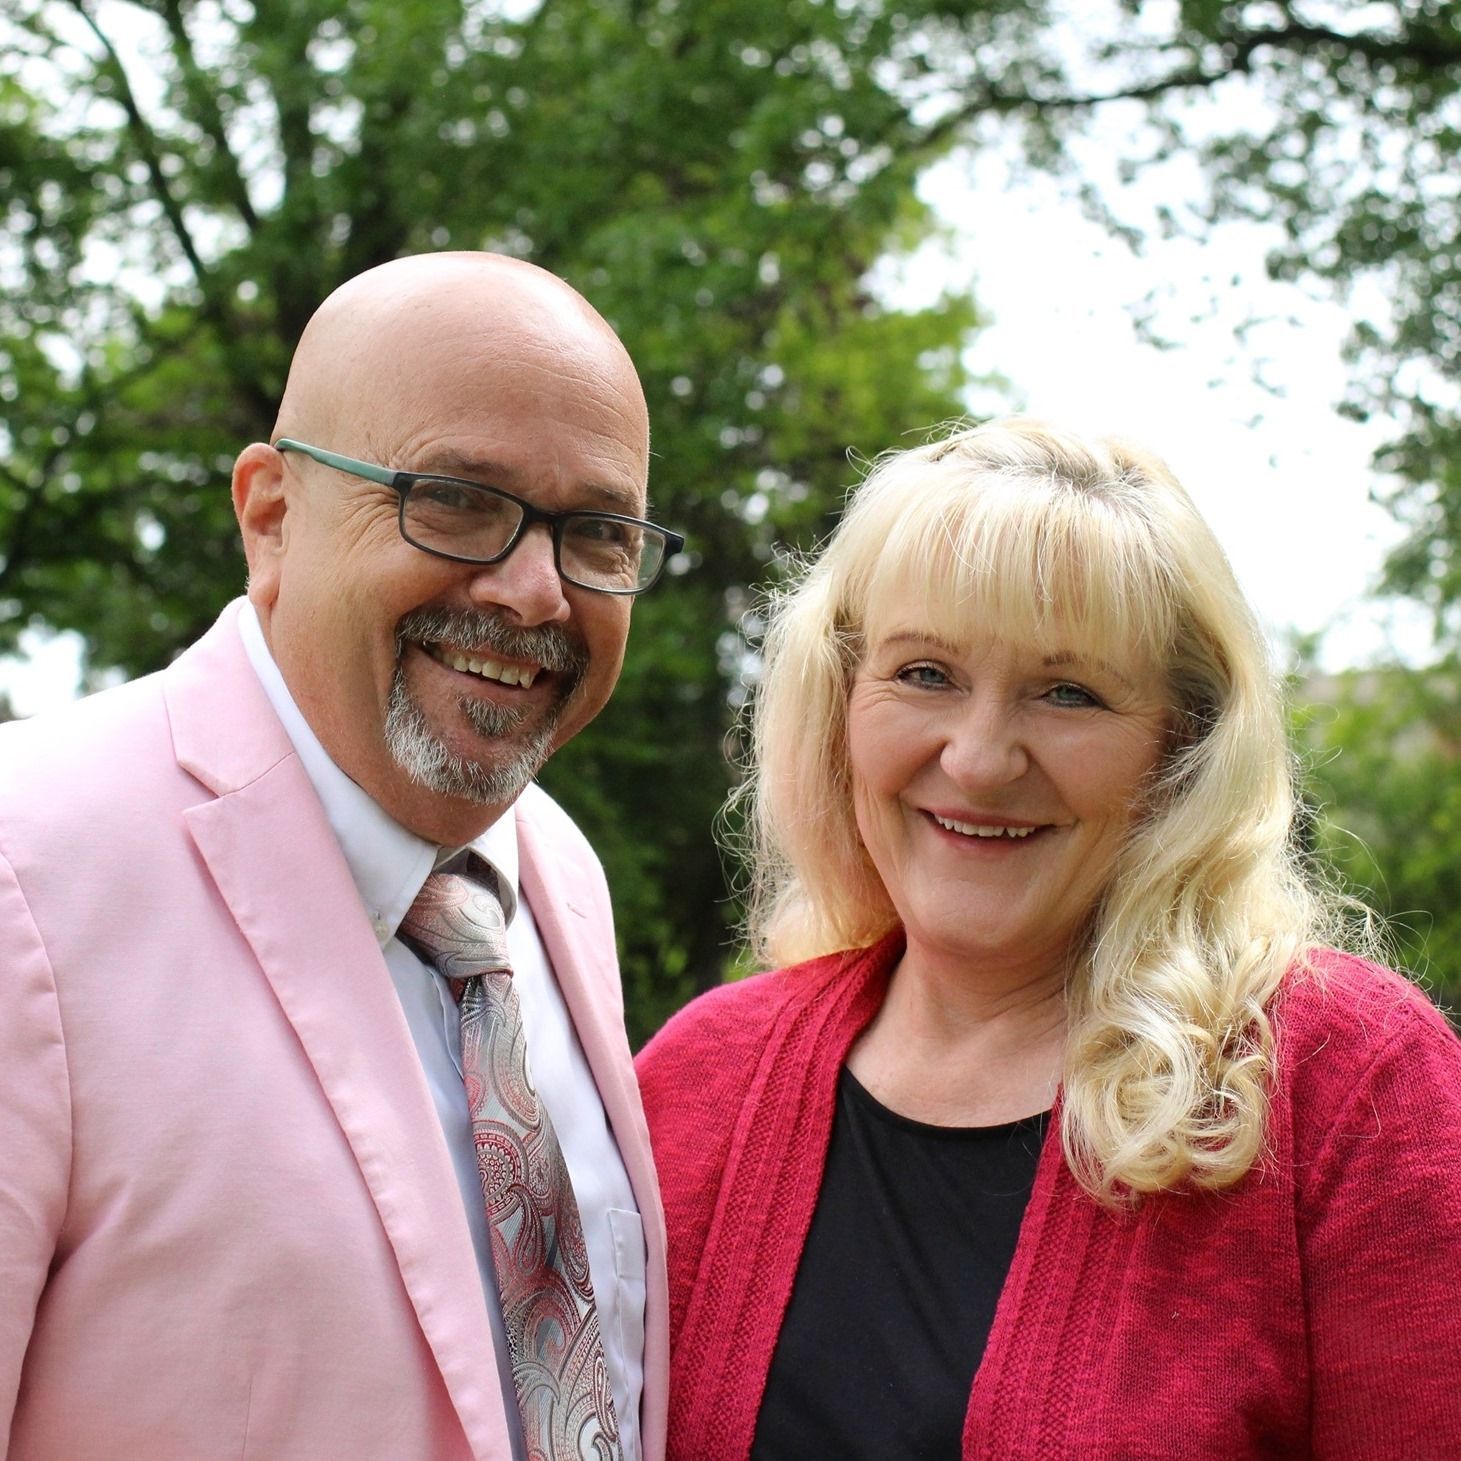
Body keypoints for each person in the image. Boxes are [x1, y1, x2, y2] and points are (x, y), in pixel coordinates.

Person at [636, 417, 1461, 1460]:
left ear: (1183, 746)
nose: (978, 760)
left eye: (1067, 692)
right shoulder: (701, 1079)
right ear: (841, 703)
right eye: (925, 673)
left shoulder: (1352, 1089)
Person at [0, 252, 679, 1460]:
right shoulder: (27, 862)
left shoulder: (555, 874)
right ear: (271, 516)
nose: (535, 592)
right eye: (458, 499)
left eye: (598, 533)